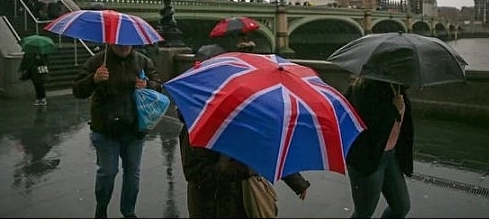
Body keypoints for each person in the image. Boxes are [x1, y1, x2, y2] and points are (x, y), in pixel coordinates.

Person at [72, 44, 162, 219]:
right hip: (106, 129)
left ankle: (128, 211)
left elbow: (159, 85)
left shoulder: (143, 61)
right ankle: (101, 208)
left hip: (134, 128)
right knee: (108, 171)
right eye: (118, 43)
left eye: (126, 43)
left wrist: (148, 84)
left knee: (132, 172)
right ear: (110, 42)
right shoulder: (98, 61)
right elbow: (77, 89)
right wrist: (94, 79)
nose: (123, 46)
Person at [178, 117, 310, 218]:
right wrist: (243, 169)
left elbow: (268, 150)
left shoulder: (243, 119)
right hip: (209, 208)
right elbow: (194, 172)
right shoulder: (195, 125)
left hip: (240, 204)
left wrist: (297, 182)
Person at [344, 77, 414, 218]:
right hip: (368, 158)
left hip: (391, 155)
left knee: (401, 207)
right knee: (364, 212)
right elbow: (367, 128)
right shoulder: (364, 89)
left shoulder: (396, 85)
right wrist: (392, 109)